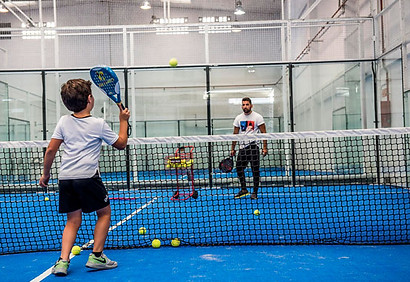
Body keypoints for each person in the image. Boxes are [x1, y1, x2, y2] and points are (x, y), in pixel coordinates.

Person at [39, 79, 130, 276]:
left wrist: (45, 174)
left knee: (72, 220)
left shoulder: (63, 121)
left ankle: (63, 261)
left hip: (66, 179)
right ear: (90, 99)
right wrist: (123, 121)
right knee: (104, 213)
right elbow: (121, 143)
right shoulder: (98, 123)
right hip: (88, 177)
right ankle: (97, 256)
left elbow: (51, 150)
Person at [231, 97, 268, 199]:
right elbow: (235, 134)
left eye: (247, 104)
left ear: (251, 105)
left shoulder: (258, 117)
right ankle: (244, 189)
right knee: (239, 168)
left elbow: (264, 133)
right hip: (242, 148)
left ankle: (255, 192)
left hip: (253, 146)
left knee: (255, 170)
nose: (245, 106)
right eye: (243, 105)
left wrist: (265, 147)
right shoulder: (238, 118)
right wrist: (233, 148)